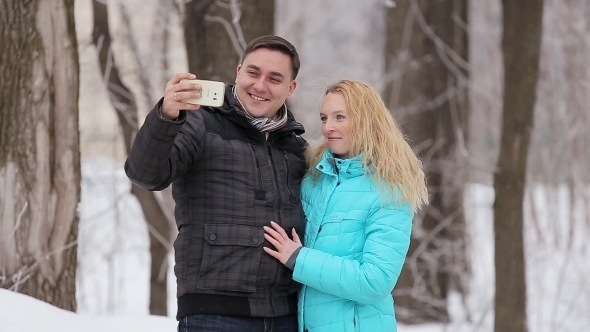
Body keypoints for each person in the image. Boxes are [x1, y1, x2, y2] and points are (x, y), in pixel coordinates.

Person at [125, 35, 308, 332]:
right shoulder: (200, 123)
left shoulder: (297, 149)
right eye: (253, 73)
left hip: (285, 315)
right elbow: (145, 174)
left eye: (275, 78)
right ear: (238, 72)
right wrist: (166, 116)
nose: (260, 86)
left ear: (290, 88)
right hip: (213, 314)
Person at [263, 80, 429, 332]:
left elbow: (375, 281)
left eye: (340, 117)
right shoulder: (315, 179)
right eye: (324, 117)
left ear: (366, 120)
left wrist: (299, 259)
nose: (328, 127)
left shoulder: (388, 190)